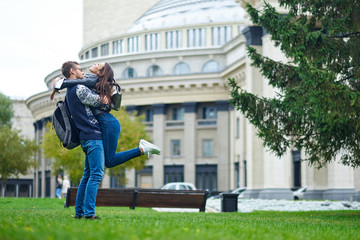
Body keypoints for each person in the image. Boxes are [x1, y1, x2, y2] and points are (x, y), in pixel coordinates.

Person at [52, 62, 161, 169]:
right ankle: (141, 149)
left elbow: (74, 83)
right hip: (103, 122)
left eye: (98, 65)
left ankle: (141, 149)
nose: (95, 63)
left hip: (107, 122)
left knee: (107, 162)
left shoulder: (93, 80)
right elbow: (73, 80)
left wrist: (60, 83)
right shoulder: (87, 79)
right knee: (106, 162)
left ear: (100, 72)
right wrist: (59, 80)